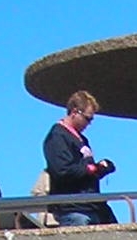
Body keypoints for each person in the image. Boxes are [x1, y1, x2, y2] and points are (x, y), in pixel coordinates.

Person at [44, 90, 117, 226]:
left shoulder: (82, 139)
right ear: (75, 112)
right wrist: (90, 169)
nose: (89, 124)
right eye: (87, 118)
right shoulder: (57, 137)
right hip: (73, 209)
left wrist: (101, 168)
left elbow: (85, 172)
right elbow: (62, 170)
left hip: (93, 206)